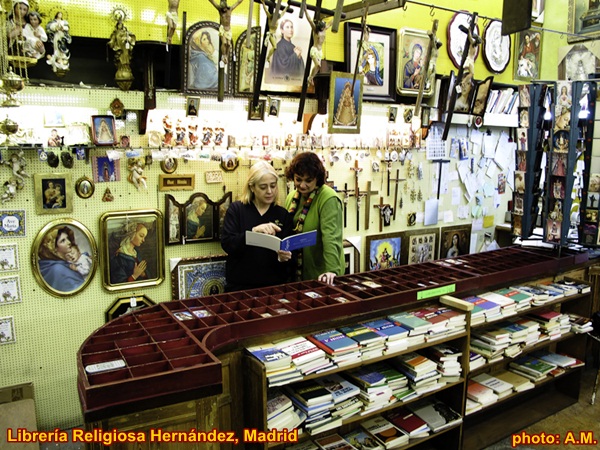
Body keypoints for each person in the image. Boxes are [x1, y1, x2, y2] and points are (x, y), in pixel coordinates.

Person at [221, 161, 293, 291]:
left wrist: (284, 257)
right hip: (240, 286)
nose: (269, 191)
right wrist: (253, 233)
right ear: (252, 187)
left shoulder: (283, 214)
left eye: (273, 185)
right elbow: (227, 244)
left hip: (274, 286)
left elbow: (289, 254)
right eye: (263, 187)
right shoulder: (237, 210)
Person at [284, 152, 344, 284]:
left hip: (321, 274)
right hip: (297, 274)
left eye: (308, 180)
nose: (302, 185)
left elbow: (330, 237)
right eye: (298, 179)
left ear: (317, 178)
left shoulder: (328, 198)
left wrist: (332, 270)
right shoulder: (292, 197)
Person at [38, 226, 86, 291]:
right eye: (63, 241)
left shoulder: (64, 263)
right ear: (53, 248)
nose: (69, 242)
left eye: (67, 238)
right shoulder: (58, 269)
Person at [208, 0, 243, 67]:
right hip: (222, 29)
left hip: (228, 29)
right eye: (222, 8)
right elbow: (213, 2)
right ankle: (223, 55)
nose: (223, 10)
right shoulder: (220, 10)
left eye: (224, 8)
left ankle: (226, 56)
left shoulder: (230, 9)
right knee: (224, 43)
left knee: (229, 44)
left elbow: (238, 2)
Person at [305, 12, 332, 85]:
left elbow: (330, 23)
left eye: (323, 27)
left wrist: (337, 15)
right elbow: (310, 20)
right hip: (315, 49)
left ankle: (311, 78)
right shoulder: (315, 30)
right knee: (318, 65)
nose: (323, 28)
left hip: (320, 51)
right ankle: (310, 78)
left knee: (318, 67)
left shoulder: (325, 28)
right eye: (322, 28)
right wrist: (305, 10)